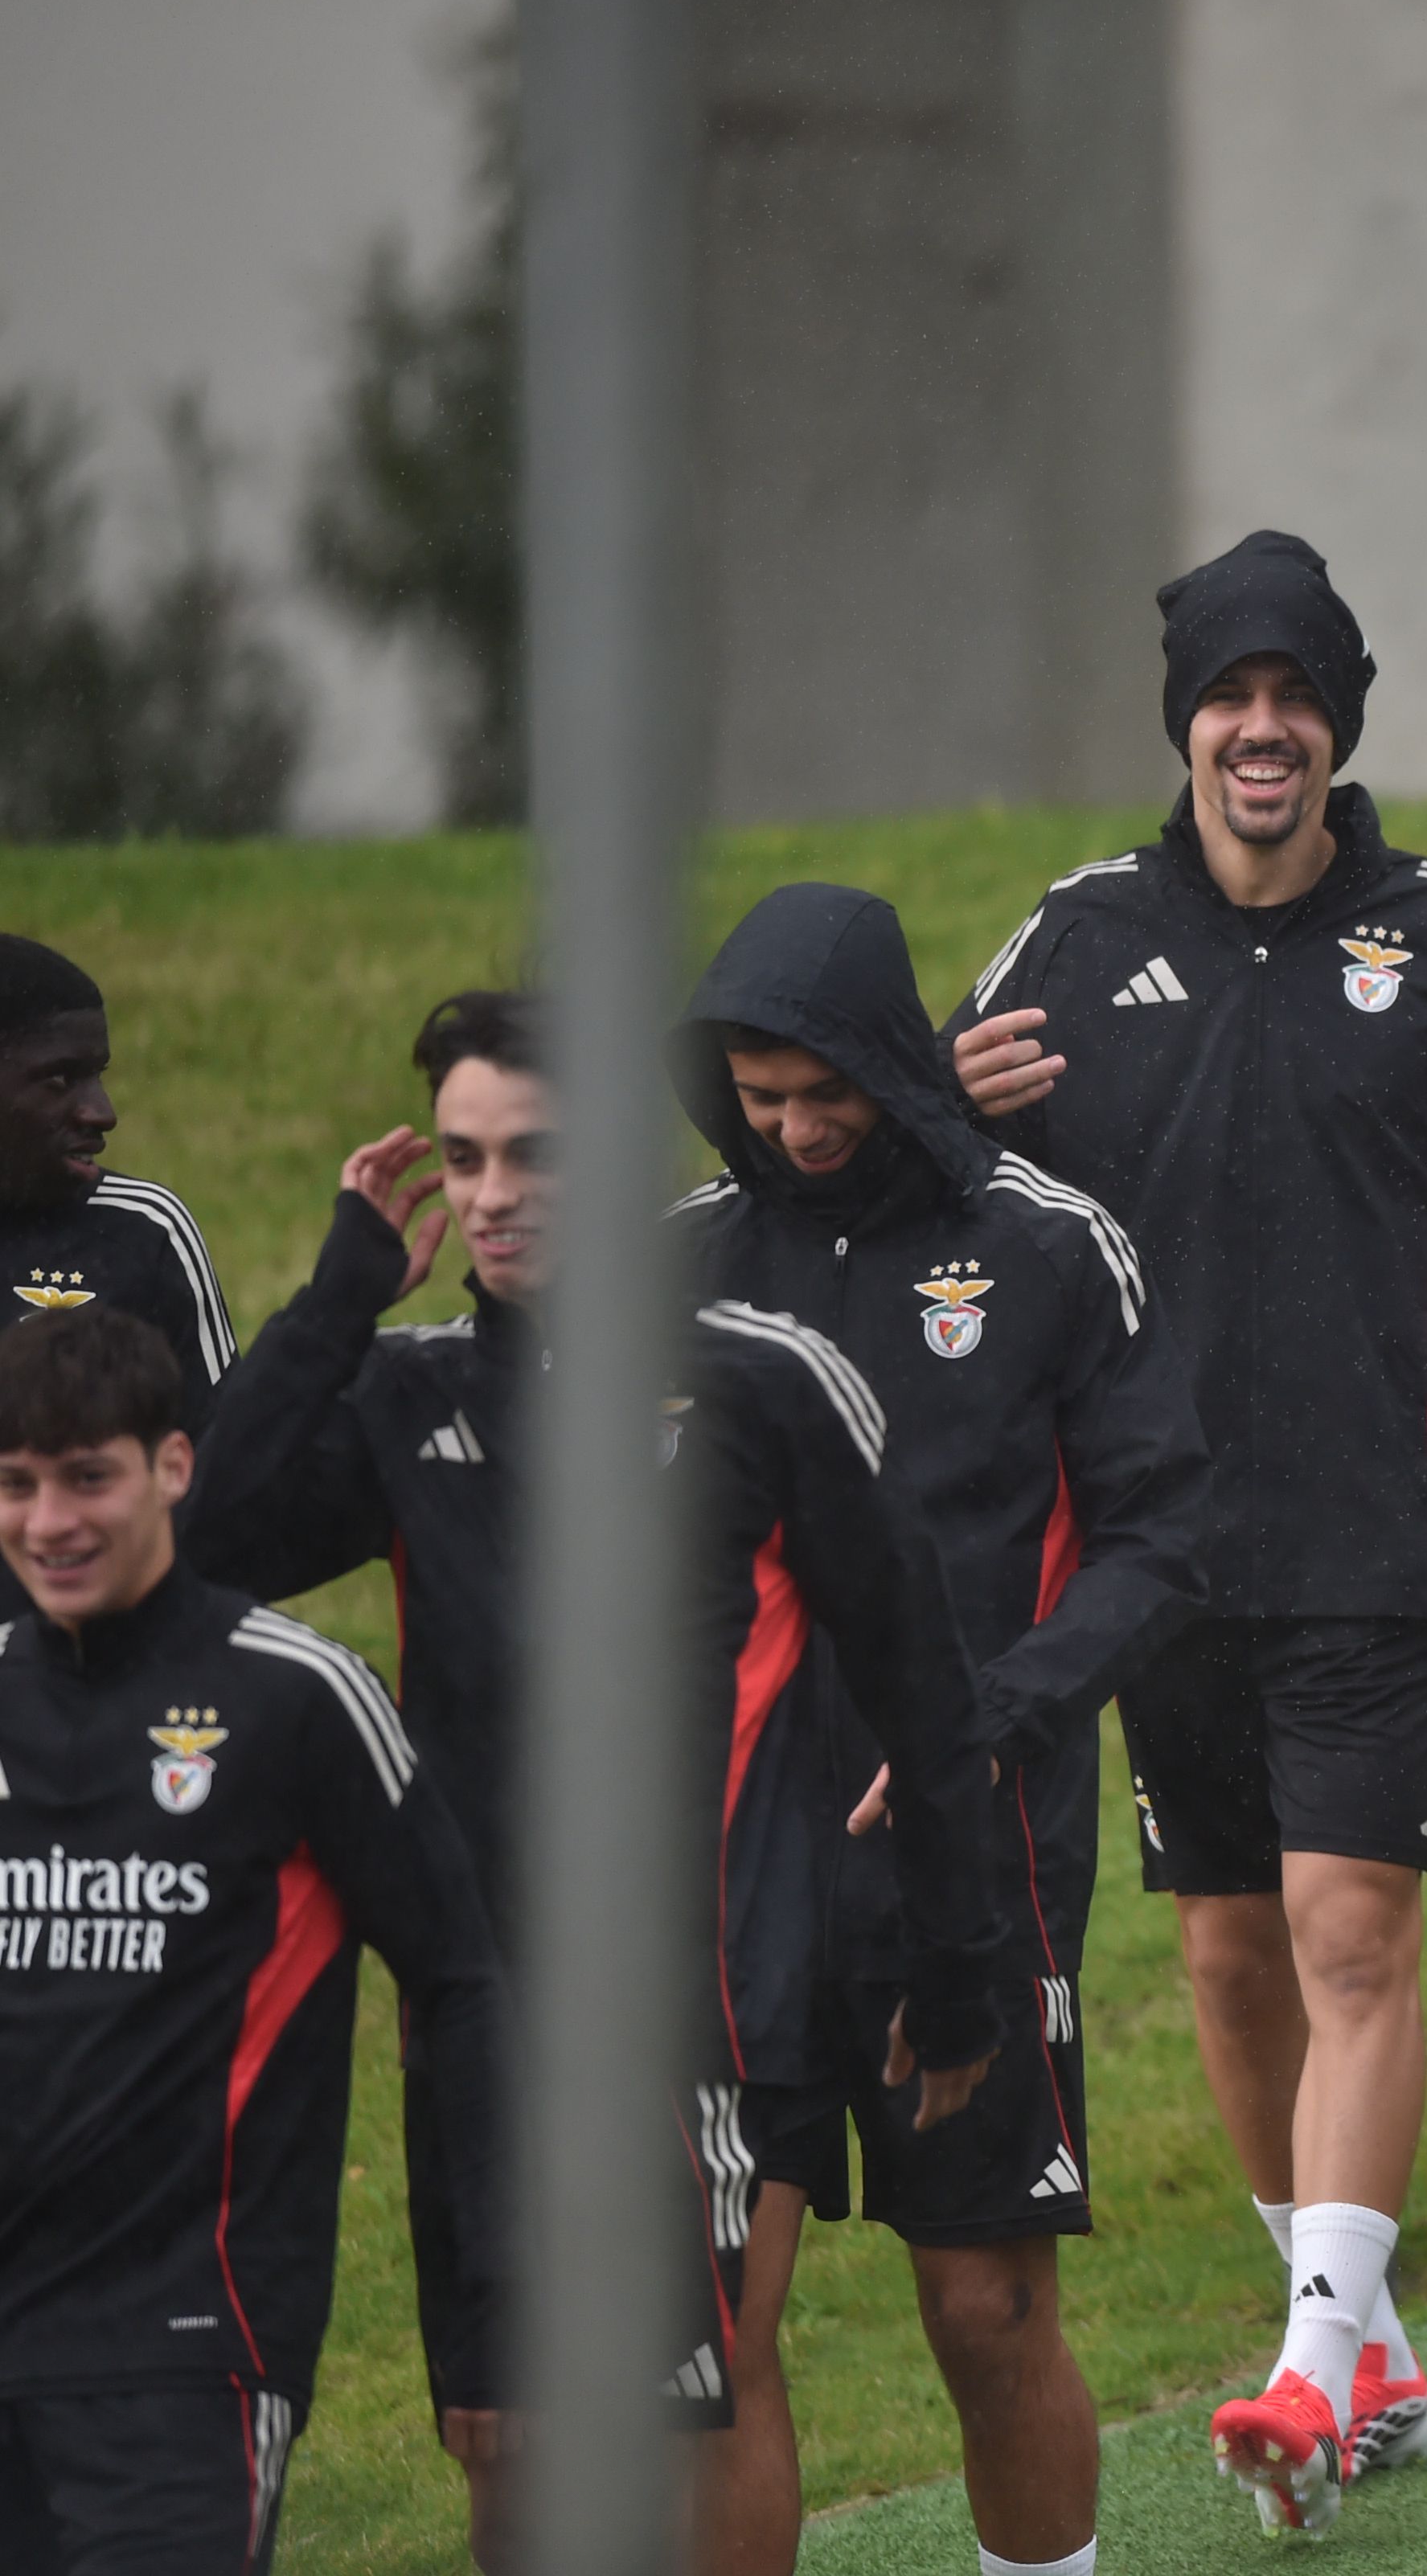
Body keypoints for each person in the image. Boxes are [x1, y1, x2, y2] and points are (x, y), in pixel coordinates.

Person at [947, 530, 1427, 2533]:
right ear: (1183, 721)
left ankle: (1311, 2377)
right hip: (1150, 1561)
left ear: (1342, 724)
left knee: (1354, 1933)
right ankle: (1364, 2340)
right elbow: (884, 1183)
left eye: (1299, 699)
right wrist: (937, 1105)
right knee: (1234, 1958)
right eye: (1231, 698)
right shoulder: (1072, 942)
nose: (1265, 730)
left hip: (1377, 1540)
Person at [182, 989, 1017, 2568]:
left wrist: (960, 1967)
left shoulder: (760, 1382)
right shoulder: (407, 1392)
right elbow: (203, 1541)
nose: (495, 1194)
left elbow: (925, 1684)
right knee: (508, 2442)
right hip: (481, 2012)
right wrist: (339, 1295)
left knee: (696, 2392)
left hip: (717, 1999)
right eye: (466, 1157)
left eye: (537, 1156)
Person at [670, 885, 1214, 2576]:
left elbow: (1163, 1538)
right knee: (720, 2330)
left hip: (972, 1856)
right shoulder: (676, 1263)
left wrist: (996, 1713)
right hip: (728, 1871)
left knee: (981, 2302)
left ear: (891, 1052)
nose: (798, 1127)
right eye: (759, 1096)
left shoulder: (1049, 1241)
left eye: (824, 1087)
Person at [0, 1303, 507, 2576]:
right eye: (14, 1484)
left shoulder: (297, 1700)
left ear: (175, 1466)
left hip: (185, 2344)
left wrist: (497, 2284)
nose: (47, 1522)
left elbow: (460, 1984)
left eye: (86, 1478)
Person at [0, 936, 235, 1435]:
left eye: (98, 1076)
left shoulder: (143, 1231)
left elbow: (223, 1473)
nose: (102, 1114)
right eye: (62, 1081)